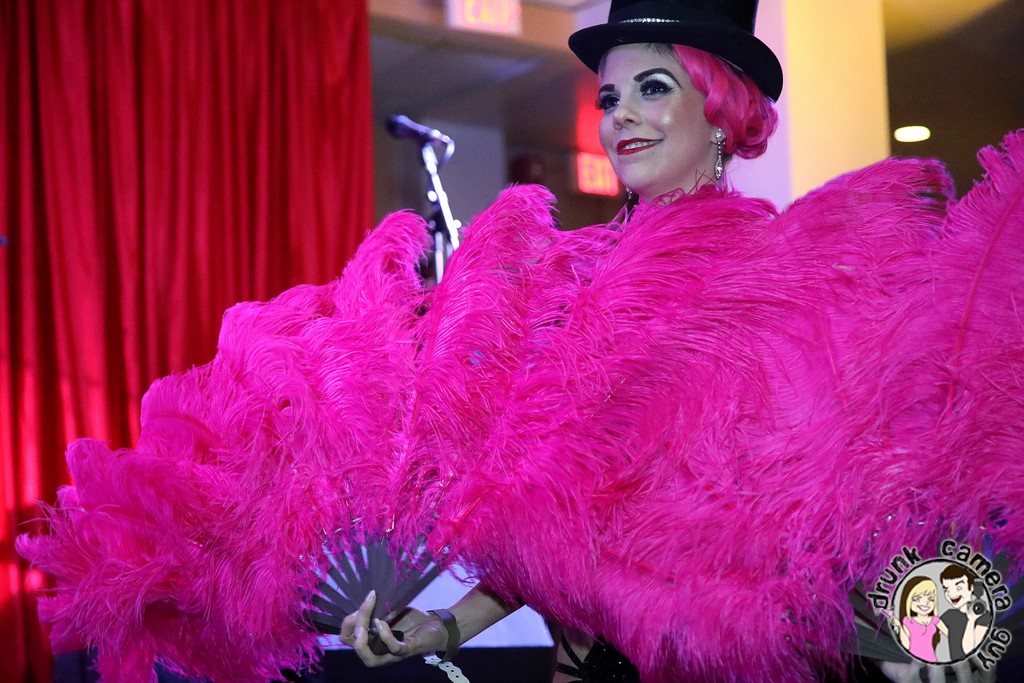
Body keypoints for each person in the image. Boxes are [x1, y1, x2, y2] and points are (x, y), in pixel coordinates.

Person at [18, 1, 1024, 682]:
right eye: (610, 97)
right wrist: (437, 621)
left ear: (720, 108)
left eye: (652, 88)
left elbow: (861, 511)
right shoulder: (573, 287)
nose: (622, 116)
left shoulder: (790, 276)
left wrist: (940, 640)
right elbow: (542, 527)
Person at [939, 565, 992, 662]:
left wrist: (971, 620)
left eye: (958, 587)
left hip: (974, 666)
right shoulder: (949, 615)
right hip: (955, 666)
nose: (951, 593)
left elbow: (969, 650)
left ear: (971, 587)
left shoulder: (983, 616)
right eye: (946, 589)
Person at [890, 577, 947, 662]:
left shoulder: (935, 620)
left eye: (931, 599)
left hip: (931, 659)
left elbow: (951, 635)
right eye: (917, 599)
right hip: (913, 659)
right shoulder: (907, 621)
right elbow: (907, 645)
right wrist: (899, 626)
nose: (925, 603)